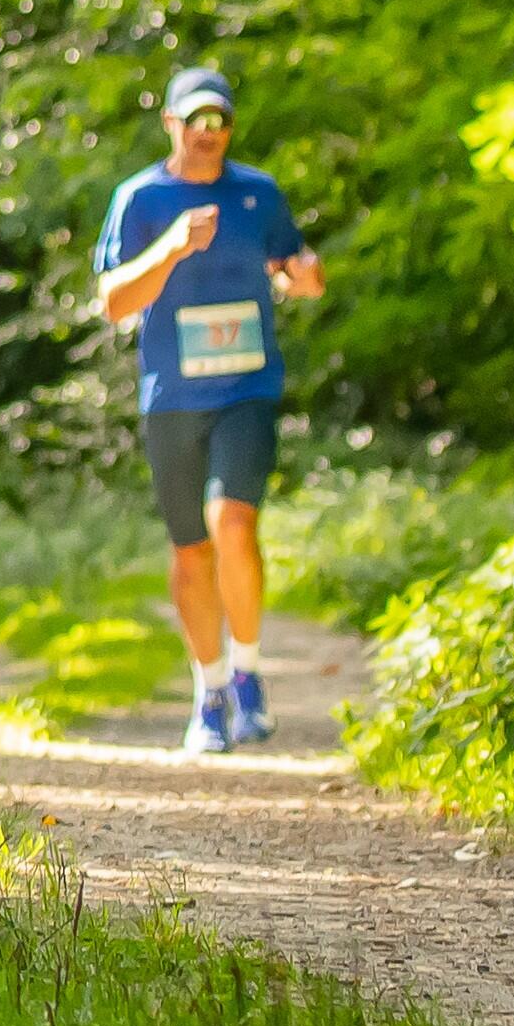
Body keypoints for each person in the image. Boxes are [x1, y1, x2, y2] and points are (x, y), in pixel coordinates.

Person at [92, 65, 325, 755]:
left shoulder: (258, 193)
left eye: (218, 119)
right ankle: (211, 687)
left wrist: (305, 277)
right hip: (173, 396)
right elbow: (114, 303)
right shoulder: (140, 199)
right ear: (171, 123)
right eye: (195, 119)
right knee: (190, 551)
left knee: (233, 522)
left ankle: (248, 675)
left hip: (246, 388)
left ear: (230, 127)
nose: (207, 131)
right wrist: (171, 247)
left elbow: (293, 266)